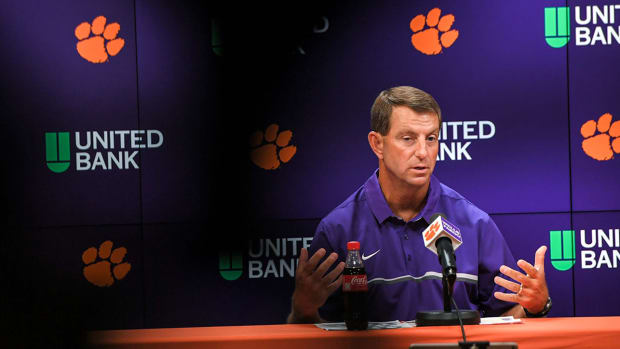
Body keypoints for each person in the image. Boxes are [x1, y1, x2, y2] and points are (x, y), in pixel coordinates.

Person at [286, 86, 550, 323]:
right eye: (408, 138)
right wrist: (302, 310)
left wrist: (534, 307)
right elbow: (315, 332)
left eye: (431, 138)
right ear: (377, 144)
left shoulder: (474, 223)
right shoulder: (338, 230)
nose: (423, 152)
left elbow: (506, 319)